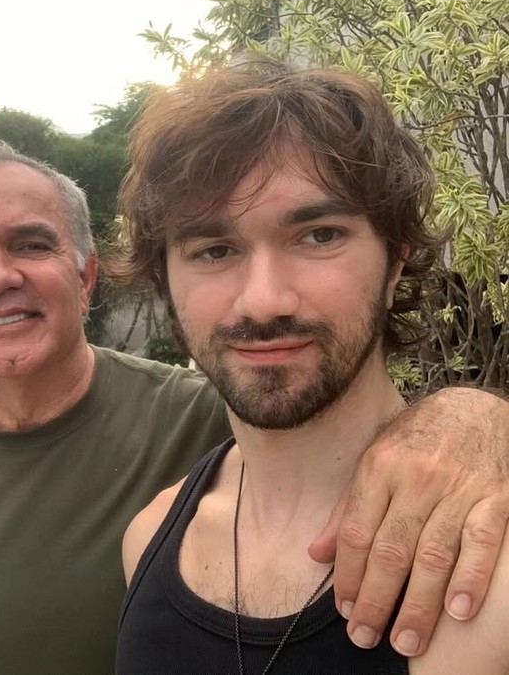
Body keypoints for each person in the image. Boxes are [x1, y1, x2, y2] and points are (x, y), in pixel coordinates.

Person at [0, 142, 509, 674]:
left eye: (32, 244)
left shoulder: (205, 412)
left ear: (86, 275)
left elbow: (326, 416)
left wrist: (477, 419)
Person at [114, 64, 509, 673]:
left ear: (394, 263)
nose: (263, 301)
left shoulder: (486, 568)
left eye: (319, 235)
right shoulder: (147, 538)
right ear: (166, 281)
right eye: (214, 250)